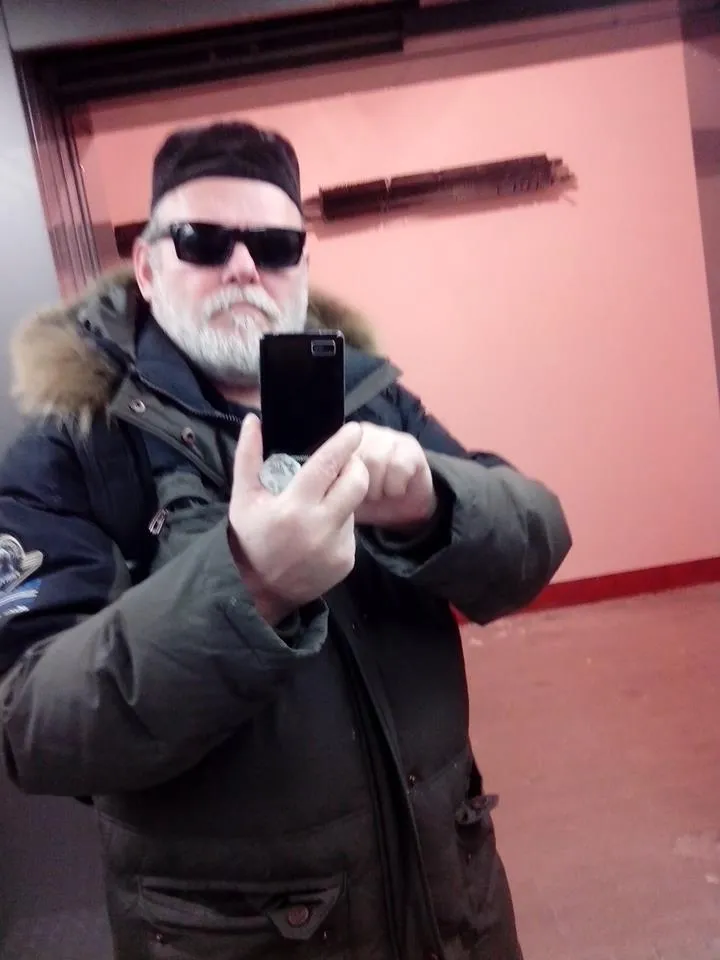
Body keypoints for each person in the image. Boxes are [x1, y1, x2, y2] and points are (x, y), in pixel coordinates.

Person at [0, 121, 571, 960]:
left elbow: (537, 537)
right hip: (239, 938)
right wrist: (249, 586)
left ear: (302, 268)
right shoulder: (73, 447)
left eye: (275, 246)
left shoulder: (371, 397)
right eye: (203, 242)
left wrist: (432, 504)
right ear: (148, 269)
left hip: (450, 902)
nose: (243, 267)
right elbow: (32, 726)